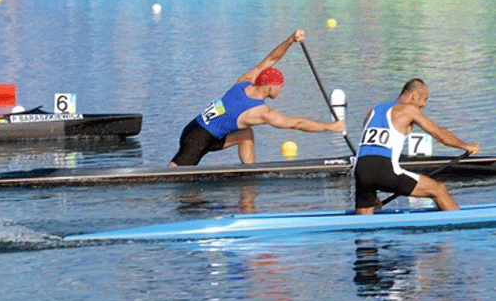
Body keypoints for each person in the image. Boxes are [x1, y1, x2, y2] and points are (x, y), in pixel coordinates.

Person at [169, 30, 346, 166]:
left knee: (246, 134)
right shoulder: (261, 112)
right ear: (270, 86)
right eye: (280, 86)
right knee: (170, 177)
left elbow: (271, 59)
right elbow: (297, 123)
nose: (281, 90)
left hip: (195, 128)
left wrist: (291, 40)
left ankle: (249, 174)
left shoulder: (245, 81)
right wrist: (330, 127)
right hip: (197, 140)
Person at [354, 78, 479, 214]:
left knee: (365, 224)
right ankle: (460, 228)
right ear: (414, 96)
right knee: (439, 190)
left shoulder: (374, 111)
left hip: (360, 171)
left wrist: (373, 193)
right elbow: (439, 134)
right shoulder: (409, 109)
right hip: (386, 169)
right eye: (424, 99)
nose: (424, 105)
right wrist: (466, 146)